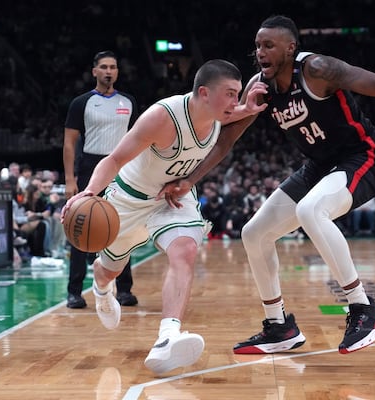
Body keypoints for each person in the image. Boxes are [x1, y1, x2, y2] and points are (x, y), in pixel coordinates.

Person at [158, 15, 375, 355]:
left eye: (268, 45)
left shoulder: (317, 69)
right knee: (253, 233)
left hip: (364, 156)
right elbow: (226, 140)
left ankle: (364, 309)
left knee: (311, 210)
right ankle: (279, 326)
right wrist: (190, 179)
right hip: (319, 166)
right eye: (257, 46)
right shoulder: (261, 86)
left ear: (290, 47)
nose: (260, 52)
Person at [61, 59, 264, 374]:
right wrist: (89, 192)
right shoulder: (162, 117)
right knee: (108, 270)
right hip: (128, 200)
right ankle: (101, 288)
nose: (234, 102)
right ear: (204, 93)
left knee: (185, 251)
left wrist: (248, 108)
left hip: (170, 198)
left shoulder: (217, 114)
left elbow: (235, 113)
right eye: (230, 94)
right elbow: (114, 159)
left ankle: (168, 337)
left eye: (238, 94)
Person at [62, 50, 139, 309]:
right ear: (94, 71)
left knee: (122, 228)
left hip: (122, 168)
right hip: (90, 167)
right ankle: (74, 291)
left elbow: (137, 140)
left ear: (118, 72)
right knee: (79, 228)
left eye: (113, 67)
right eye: (104, 67)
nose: (109, 71)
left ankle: (124, 289)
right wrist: (70, 179)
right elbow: (69, 144)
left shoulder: (129, 101)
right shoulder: (81, 102)